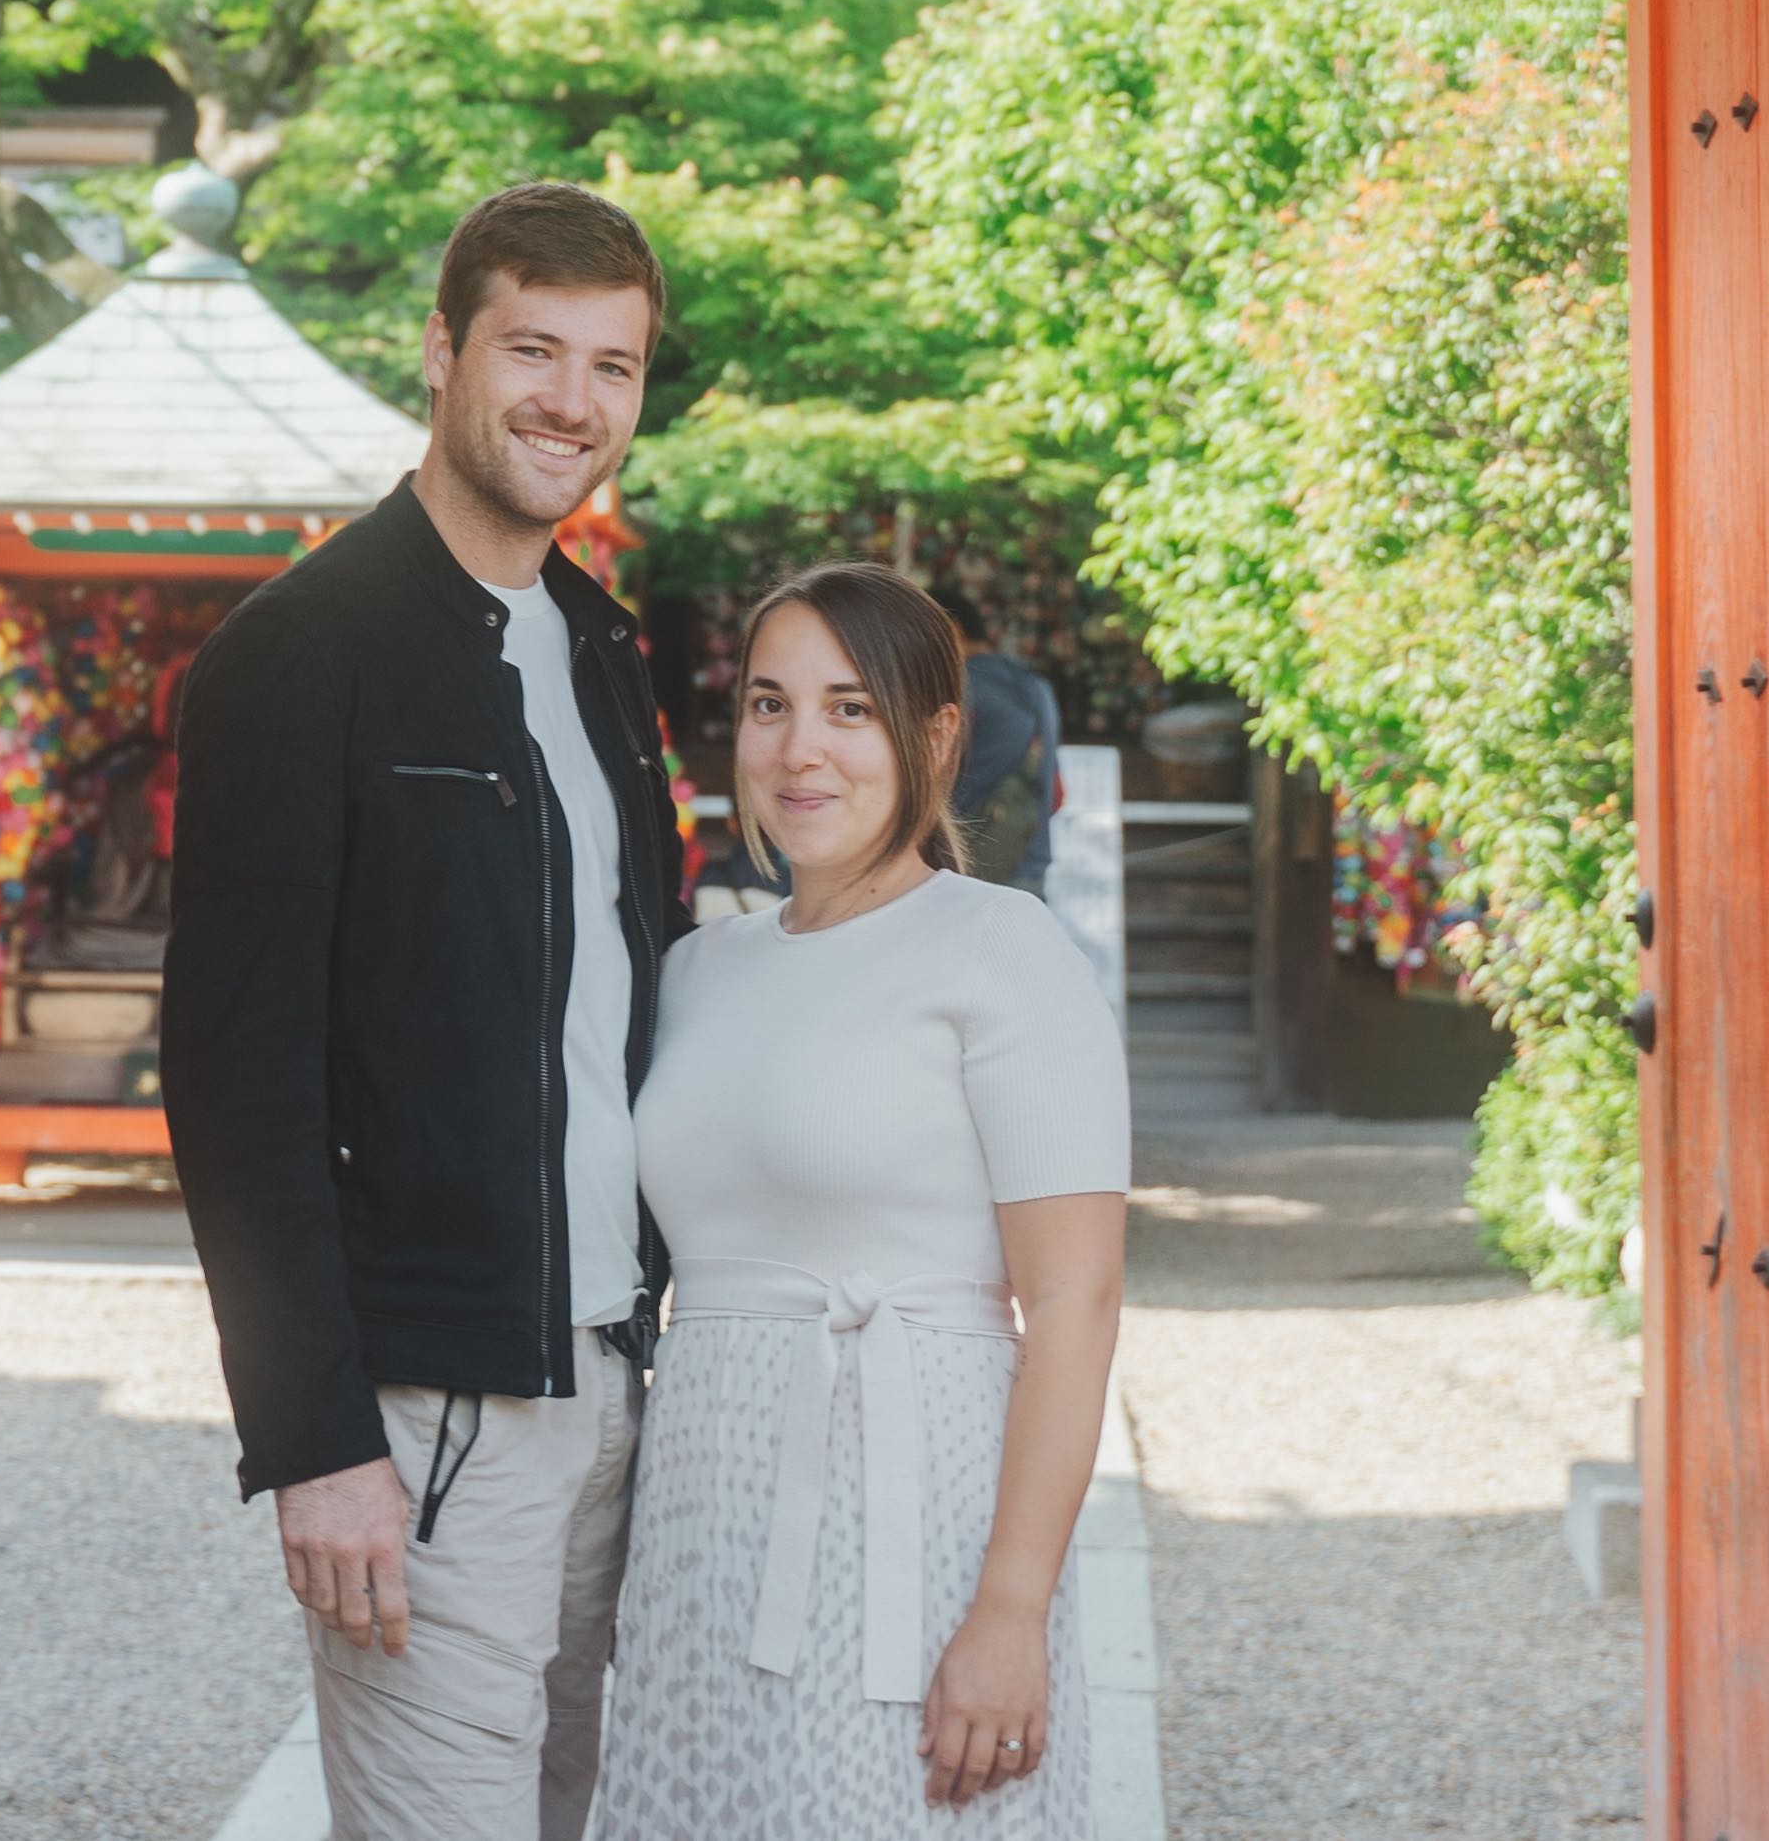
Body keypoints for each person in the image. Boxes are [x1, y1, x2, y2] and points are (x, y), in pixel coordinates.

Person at [166, 182, 688, 1840]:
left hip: (623, 1379)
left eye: (610, 366)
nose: (569, 400)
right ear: (443, 350)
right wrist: (314, 1439)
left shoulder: (603, 652)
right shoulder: (301, 650)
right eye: (531, 347)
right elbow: (232, 1082)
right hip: (433, 1414)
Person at [592, 563, 1131, 1835]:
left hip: (918, 1507)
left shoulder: (1001, 947)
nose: (799, 748)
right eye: (770, 704)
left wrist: (1008, 1609)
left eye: (850, 708)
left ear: (934, 735)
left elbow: (1075, 1299)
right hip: (701, 1519)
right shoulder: (698, 966)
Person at [933, 585, 1064, 896]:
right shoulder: (1036, 685)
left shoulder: (960, 688)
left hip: (971, 869)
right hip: (1032, 863)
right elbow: (1058, 792)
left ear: (953, 629)